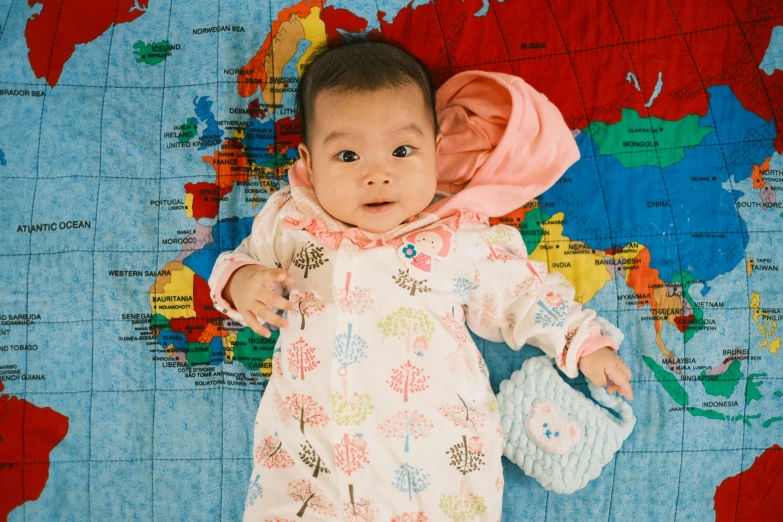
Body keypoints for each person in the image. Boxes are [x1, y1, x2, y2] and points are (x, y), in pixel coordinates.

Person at [208, 38, 633, 521]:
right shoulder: (291, 222)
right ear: (308, 161)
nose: (377, 175)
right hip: (310, 470)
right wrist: (240, 284)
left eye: (401, 150)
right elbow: (235, 264)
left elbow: (524, 292)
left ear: (436, 151)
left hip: (433, 469)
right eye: (348, 156)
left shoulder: (457, 237)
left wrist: (582, 342)